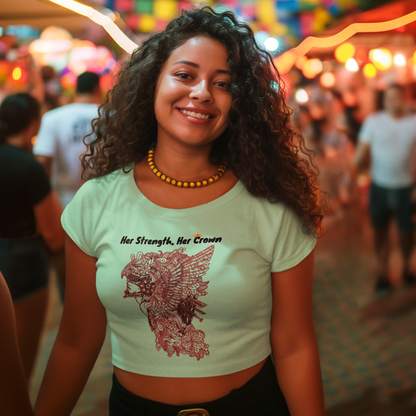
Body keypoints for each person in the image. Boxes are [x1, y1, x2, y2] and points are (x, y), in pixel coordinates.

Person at [35, 7, 325, 416]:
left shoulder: (272, 206)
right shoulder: (97, 200)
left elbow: (295, 346)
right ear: (153, 83)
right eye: (185, 75)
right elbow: (76, 341)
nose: (202, 92)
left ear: (237, 101)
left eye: (222, 83)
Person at [0, 93, 65, 382]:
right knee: (17, 370)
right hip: (23, 267)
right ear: (33, 125)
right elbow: (53, 234)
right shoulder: (27, 167)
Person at [355, 83, 416, 291]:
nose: (392, 100)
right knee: (380, 230)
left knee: (406, 232)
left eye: (396, 96)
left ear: (404, 98)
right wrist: (359, 174)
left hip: (406, 187)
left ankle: (407, 266)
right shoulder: (373, 122)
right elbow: (360, 155)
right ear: (383, 100)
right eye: (388, 97)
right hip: (379, 186)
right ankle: (382, 270)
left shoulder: (413, 123)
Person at [33, 71, 101, 208]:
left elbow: (42, 161)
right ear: (98, 89)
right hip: (104, 202)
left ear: (76, 89)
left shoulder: (53, 117)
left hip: (62, 203)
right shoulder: (115, 117)